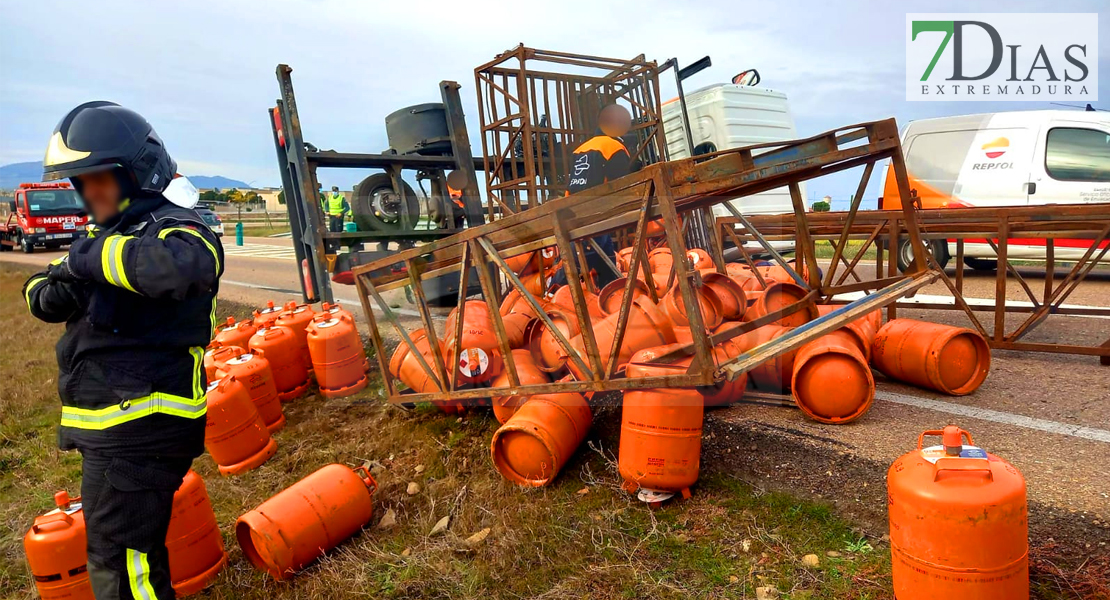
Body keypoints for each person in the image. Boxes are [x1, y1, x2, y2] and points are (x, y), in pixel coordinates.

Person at [23, 101, 223, 600]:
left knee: (122, 567)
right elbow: (43, 292)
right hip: (117, 428)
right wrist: (58, 283)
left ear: (137, 173)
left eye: (101, 180)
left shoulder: (177, 227)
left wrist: (87, 257)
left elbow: (183, 268)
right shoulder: (108, 238)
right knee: (126, 556)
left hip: (141, 428)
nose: (91, 194)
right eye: (82, 183)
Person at [552, 103, 633, 289]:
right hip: (596, 212)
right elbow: (622, 185)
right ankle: (554, 295)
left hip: (574, 211)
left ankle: (612, 292)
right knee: (578, 262)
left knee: (604, 258)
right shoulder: (614, 147)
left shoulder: (580, 149)